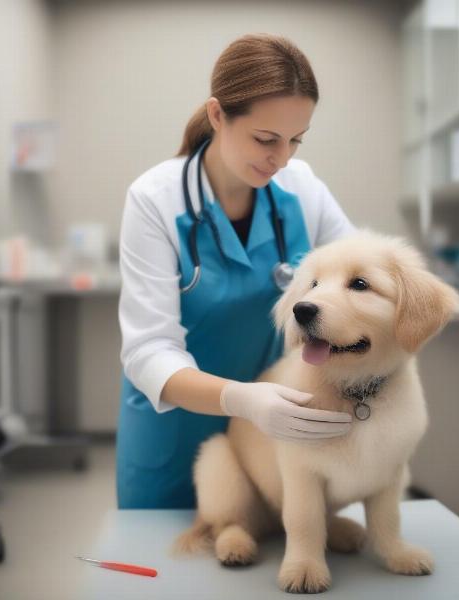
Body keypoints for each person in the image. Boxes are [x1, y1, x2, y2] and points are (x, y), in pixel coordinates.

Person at [117, 33, 356, 509]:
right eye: (266, 139)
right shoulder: (154, 200)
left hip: (266, 439)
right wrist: (243, 400)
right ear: (217, 115)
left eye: (295, 141)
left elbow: (357, 267)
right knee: (170, 575)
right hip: (175, 433)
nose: (282, 158)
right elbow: (148, 351)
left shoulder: (301, 189)